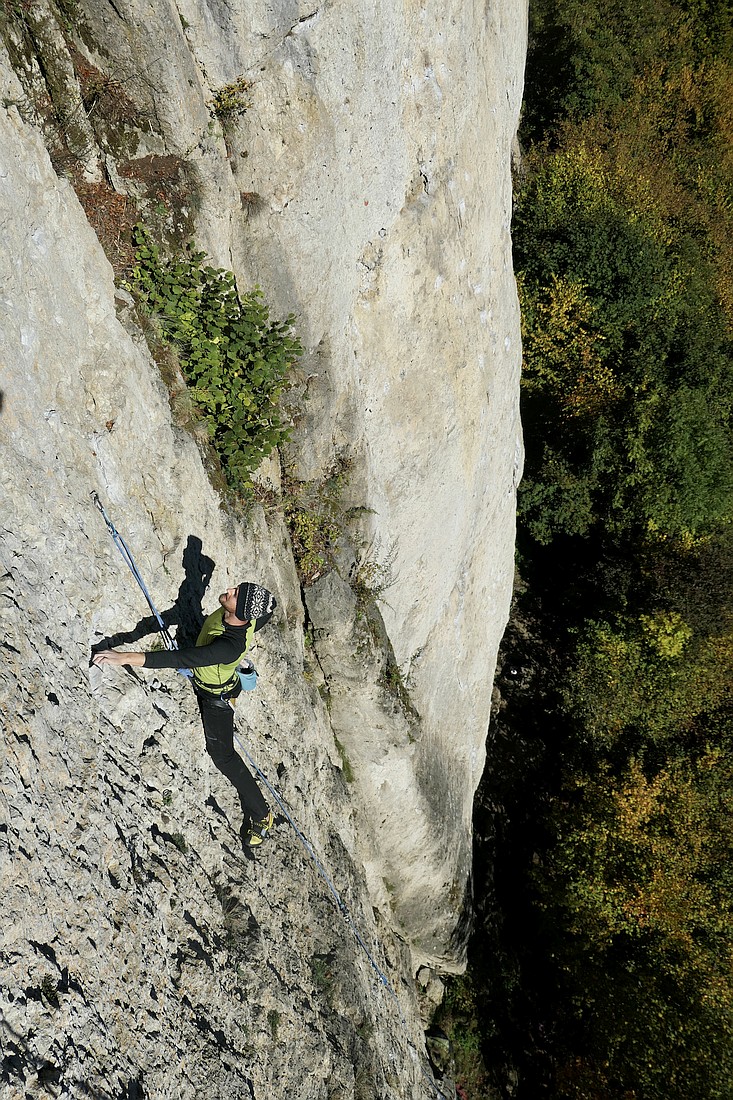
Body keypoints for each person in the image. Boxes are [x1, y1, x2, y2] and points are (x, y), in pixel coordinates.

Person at [92, 581, 277, 848]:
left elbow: (180, 659)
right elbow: (268, 609)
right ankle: (258, 811)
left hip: (216, 697)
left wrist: (124, 657)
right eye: (236, 588)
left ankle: (261, 815)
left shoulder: (229, 647)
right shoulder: (243, 618)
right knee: (224, 755)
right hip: (213, 683)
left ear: (244, 613)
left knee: (223, 757)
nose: (229, 590)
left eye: (236, 594)